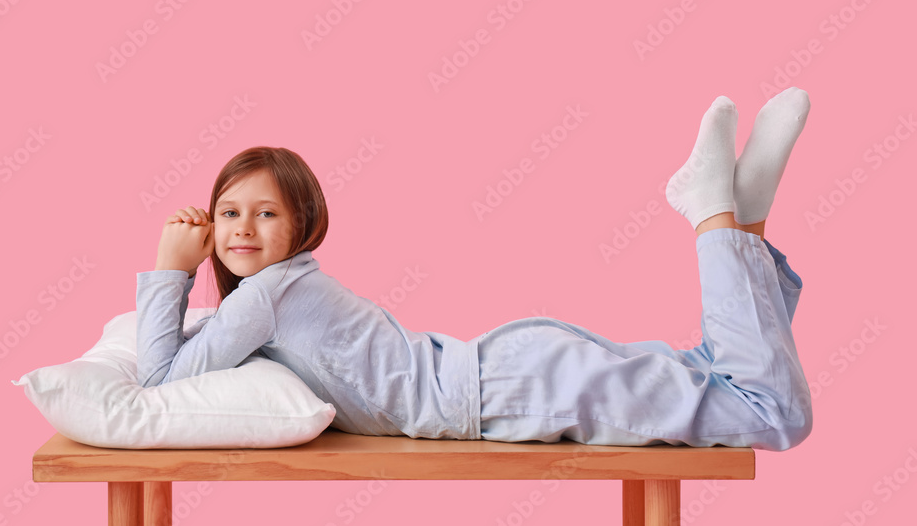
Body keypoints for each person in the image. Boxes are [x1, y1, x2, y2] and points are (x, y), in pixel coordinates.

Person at [136, 87, 813, 450]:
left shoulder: (265, 298)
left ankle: (713, 216)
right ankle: (741, 220)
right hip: (510, 370)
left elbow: (160, 381)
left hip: (507, 389)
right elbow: (193, 360)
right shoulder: (272, 296)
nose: (242, 229)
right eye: (228, 214)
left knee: (771, 412)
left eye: (265, 214)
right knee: (709, 375)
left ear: (303, 225)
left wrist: (171, 267)